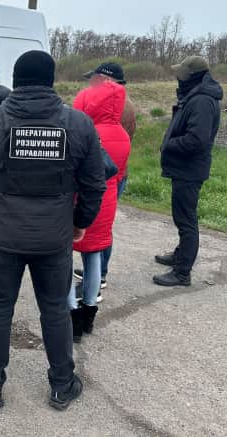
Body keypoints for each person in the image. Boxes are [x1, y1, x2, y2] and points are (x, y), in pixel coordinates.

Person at [0, 50, 106, 410]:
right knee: (55, 309)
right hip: (54, 238)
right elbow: (94, 185)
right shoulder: (78, 124)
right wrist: (80, 223)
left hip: (2, 236)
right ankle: (62, 384)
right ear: (50, 80)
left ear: (16, 79)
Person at [68, 76, 131, 343]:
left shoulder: (85, 132)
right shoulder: (123, 135)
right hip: (106, 202)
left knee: (65, 255)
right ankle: (89, 310)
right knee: (93, 256)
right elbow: (120, 173)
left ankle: (71, 313)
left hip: (81, 200)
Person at [154, 56, 223, 287]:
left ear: (192, 76)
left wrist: (169, 145)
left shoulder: (202, 100)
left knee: (186, 220)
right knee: (182, 216)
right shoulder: (195, 95)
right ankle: (180, 255)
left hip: (189, 170)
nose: (178, 78)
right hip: (185, 168)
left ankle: (182, 272)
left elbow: (197, 140)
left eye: (182, 73)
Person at [74, 62, 136, 297]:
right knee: (102, 227)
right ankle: (98, 272)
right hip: (116, 172)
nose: (90, 84)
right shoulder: (122, 103)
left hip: (105, 174)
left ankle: (98, 275)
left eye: (94, 79)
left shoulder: (113, 108)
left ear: (105, 80)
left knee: (96, 227)